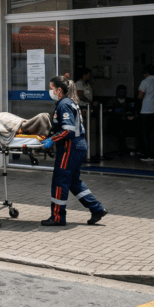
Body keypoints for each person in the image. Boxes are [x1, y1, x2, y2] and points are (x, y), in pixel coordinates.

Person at [41, 75, 107, 226]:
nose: (49, 91)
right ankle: (97, 208)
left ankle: (57, 217)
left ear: (58, 90)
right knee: (73, 181)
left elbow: (68, 130)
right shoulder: (69, 102)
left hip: (69, 146)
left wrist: (52, 140)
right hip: (78, 145)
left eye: (51, 88)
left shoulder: (63, 104)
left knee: (60, 181)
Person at [105, 85, 138, 155]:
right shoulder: (112, 101)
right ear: (116, 92)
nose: (122, 93)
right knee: (120, 128)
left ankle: (132, 149)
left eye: (124, 92)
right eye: (120, 92)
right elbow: (109, 111)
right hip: (115, 122)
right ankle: (123, 149)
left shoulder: (130, 101)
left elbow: (133, 111)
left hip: (128, 122)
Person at [137, 64, 154, 163]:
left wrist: (138, 97)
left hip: (146, 110)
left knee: (146, 134)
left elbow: (140, 95)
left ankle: (147, 154)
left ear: (146, 73)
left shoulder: (145, 81)